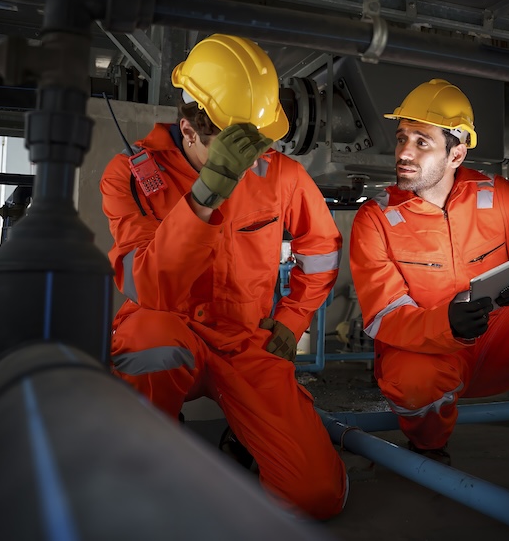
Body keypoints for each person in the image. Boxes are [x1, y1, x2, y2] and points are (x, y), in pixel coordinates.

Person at [99, 34, 347, 520]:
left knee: (315, 495)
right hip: (169, 326)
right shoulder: (128, 175)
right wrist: (206, 193)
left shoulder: (282, 175)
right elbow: (148, 287)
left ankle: (245, 433)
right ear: (189, 128)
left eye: (258, 141)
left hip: (244, 340)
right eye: (235, 144)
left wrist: (291, 321)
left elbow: (320, 251)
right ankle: (148, 457)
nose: (253, 158)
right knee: (150, 337)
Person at [348, 79, 509, 512]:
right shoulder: (377, 220)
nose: (404, 152)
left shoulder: (499, 198)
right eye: (402, 137)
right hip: (434, 351)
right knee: (411, 378)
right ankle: (428, 447)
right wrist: (445, 324)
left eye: (422, 141)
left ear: (456, 154)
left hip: (502, 346)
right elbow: (384, 315)